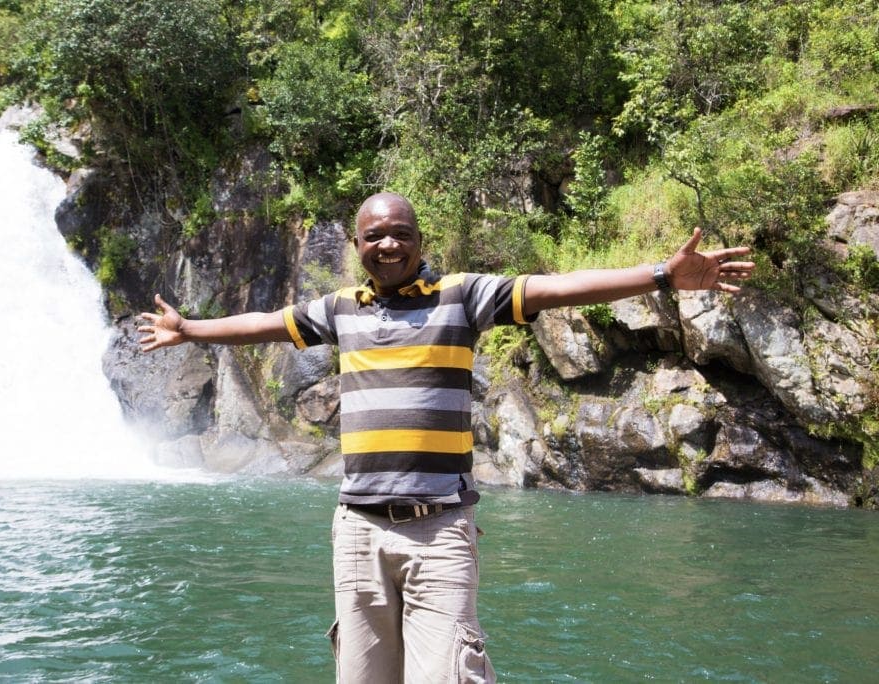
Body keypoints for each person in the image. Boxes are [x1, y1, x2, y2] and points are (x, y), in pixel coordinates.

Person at [137, 192, 755, 682]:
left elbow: (558, 286)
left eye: (400, 233)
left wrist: (660, 277)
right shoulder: (338, 309)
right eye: (374, 234)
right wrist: (190, 329)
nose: (388, 243)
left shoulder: (461, 297)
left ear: (418, 242)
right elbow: (265, 325)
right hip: (358, 531)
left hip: (439, 529)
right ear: (357, 246)